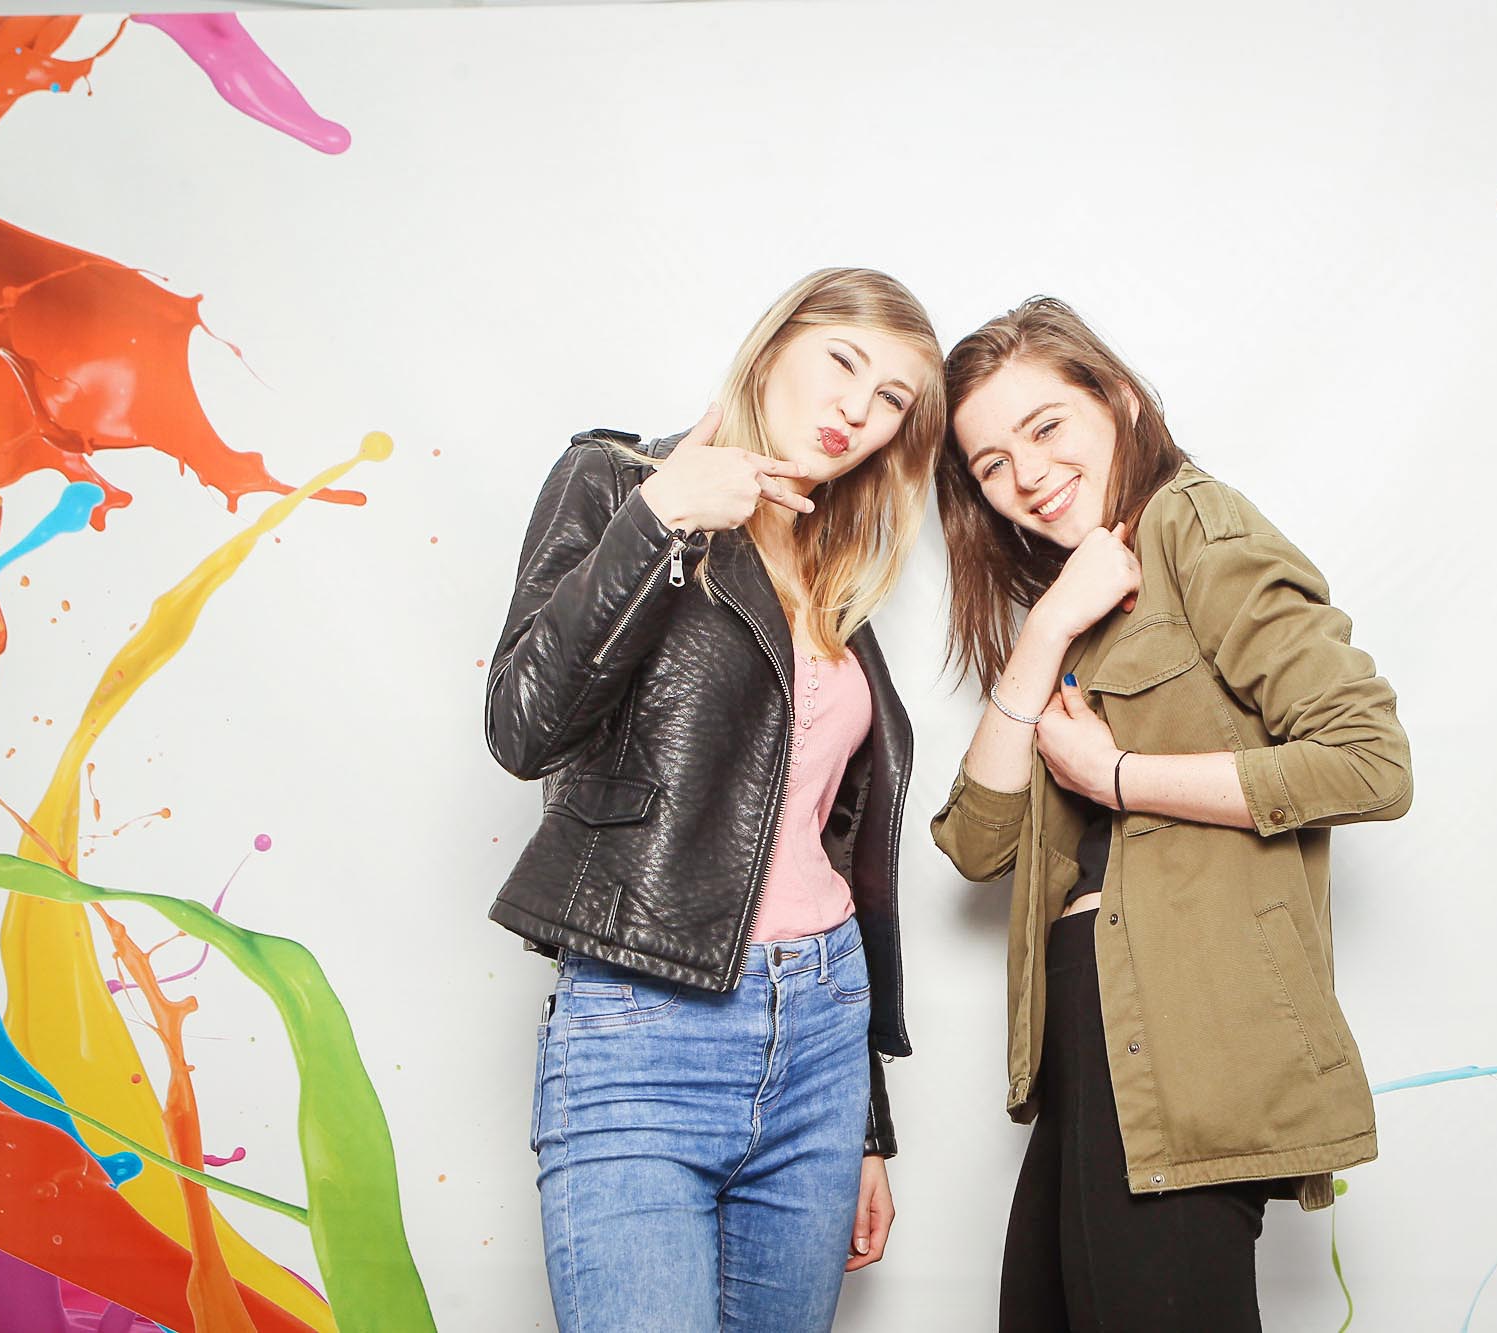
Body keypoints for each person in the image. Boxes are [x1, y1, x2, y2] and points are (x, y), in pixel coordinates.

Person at [930, 296, 1412, 1330]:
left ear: (1117, 400)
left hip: (1185, 1034)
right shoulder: (1075, 601)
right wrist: (1046, 624)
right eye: (991, 464)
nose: (1028, 475)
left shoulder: (1193, 524)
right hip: (1089, 1033)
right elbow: (975, 842)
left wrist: (1118, 777)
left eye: (1046, 427)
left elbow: (1369, 761)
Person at [485, 267, 944, 1332]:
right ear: (774, 346)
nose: (855, 409)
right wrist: (663, 519)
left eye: (890, 399)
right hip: (642, 1025)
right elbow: (522, 725)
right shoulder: (618, 482)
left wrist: (866, 1121)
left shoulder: (829, 560)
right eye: (842, 362)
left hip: (822, 1033)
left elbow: (826, 842)